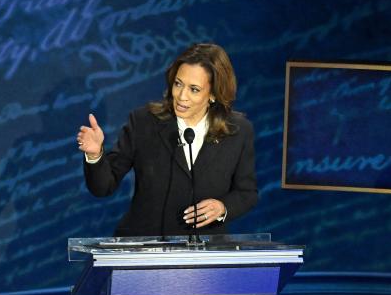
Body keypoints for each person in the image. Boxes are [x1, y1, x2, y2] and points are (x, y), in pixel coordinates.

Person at [76, 42, 258, 237]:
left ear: (213, 94)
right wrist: (95, 155)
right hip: (145, 248)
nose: (181, 96)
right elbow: (104, 186)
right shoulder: (144, 122)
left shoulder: (238, 131)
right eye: (178, 84)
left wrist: (222, 207)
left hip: (205, 251)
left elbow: (247, 193)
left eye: (194, 89)